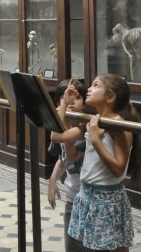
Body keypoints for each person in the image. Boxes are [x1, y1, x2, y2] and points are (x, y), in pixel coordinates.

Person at [51, 74, 141, 252]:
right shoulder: (93, 120)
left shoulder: (119, 125)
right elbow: (56, 136)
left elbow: (118, 168)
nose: (89, 89)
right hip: (86, 195)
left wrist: (95, 140)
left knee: (112, 247)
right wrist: (64, 103)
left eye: (96, 85)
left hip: (107, 200)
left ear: (110, 97)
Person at [48, 79, 88, 252]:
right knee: (71, 246)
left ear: (84, 103)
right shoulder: (62, 125)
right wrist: (52, 180)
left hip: (88, 199)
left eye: (77, 97)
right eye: (66, 97)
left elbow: (71, 155)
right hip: (72, 197)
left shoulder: (85, 128)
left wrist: (62, 123)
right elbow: (62, 159)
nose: (71, 101)